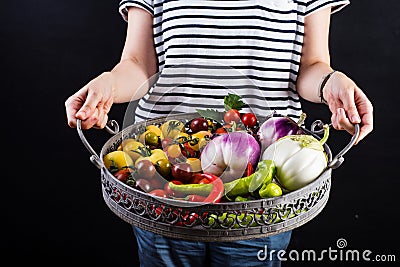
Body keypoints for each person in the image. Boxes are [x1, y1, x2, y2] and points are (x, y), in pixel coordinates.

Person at [65, 0, 373, 266]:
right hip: (164, 183)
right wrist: (108, 83)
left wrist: (330, 81)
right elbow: (139, 65)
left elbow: (312, 66)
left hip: (260, 187)